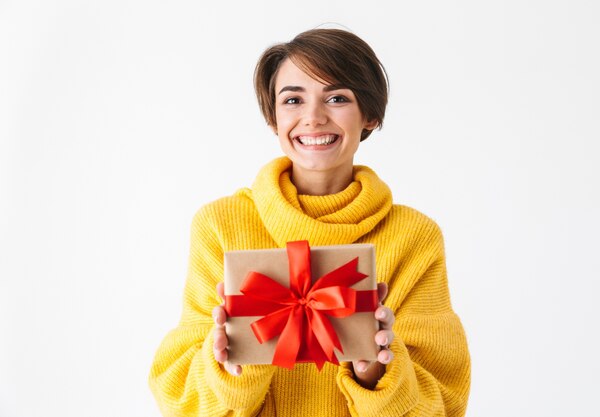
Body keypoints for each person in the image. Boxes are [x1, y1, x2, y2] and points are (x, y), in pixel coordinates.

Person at [149, 28, 471, 417]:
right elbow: (179, 400)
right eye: (293, 100)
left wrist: (376, 373)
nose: (313, 118)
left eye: (336, 98)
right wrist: (229, 368)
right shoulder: (219, 225)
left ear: (370, 115)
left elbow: (444, 403)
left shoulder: (414, 237)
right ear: (273, 117)